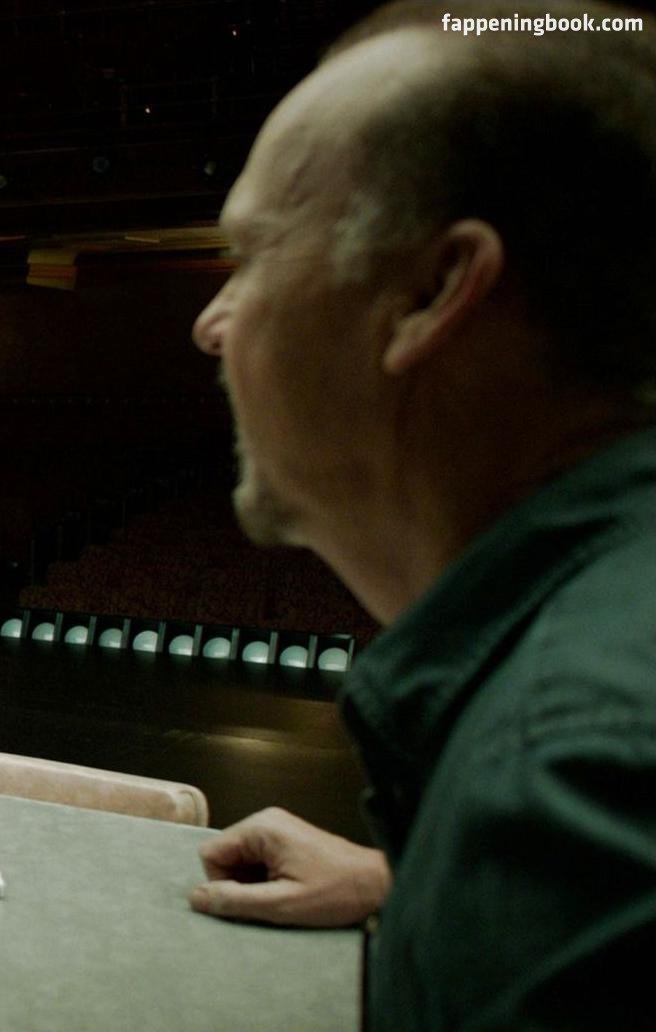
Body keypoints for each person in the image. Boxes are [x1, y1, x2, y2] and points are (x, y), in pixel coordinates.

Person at [184, 1, 655, 1027]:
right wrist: (428, 878)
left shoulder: (578, 778)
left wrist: (531, 846)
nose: (211, 325)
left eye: (254, 254)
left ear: (433, 293)